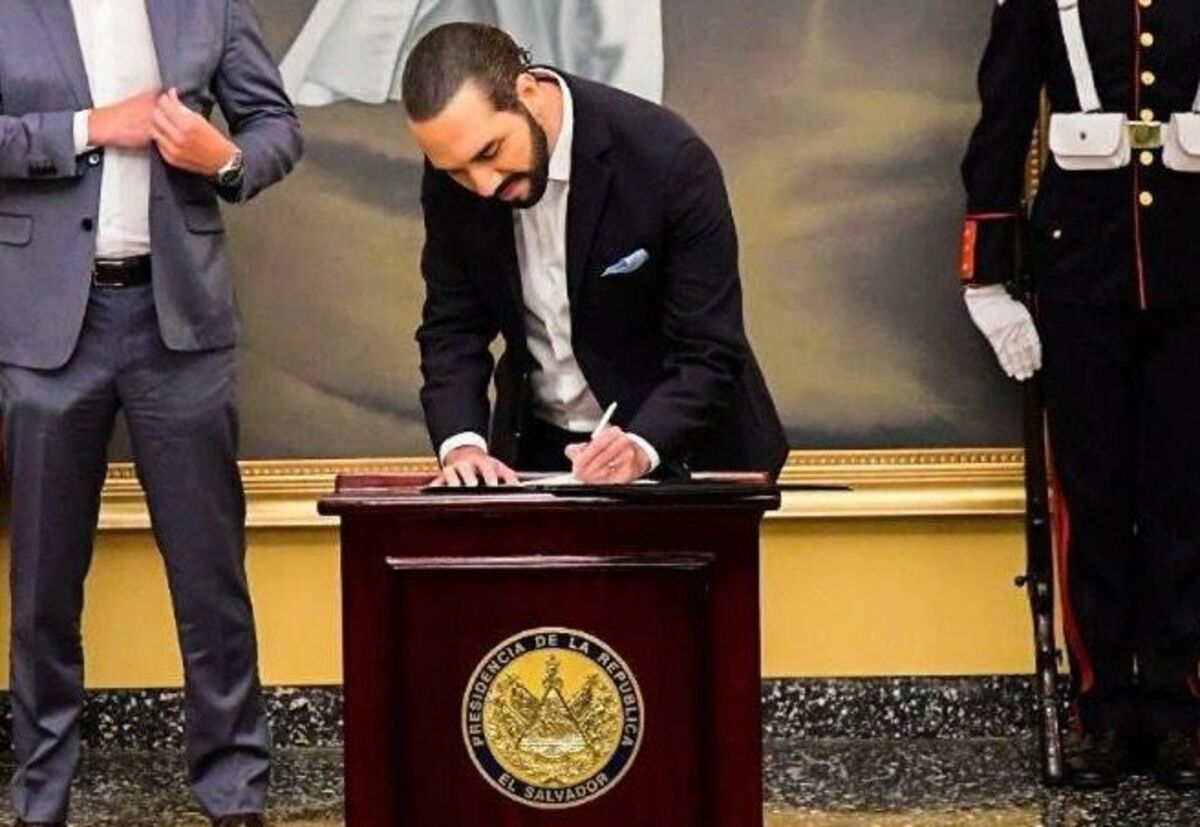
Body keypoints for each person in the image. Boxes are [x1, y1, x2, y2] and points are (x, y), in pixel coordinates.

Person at [0, 1, 303, 823]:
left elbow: (276, 126)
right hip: (46, 329)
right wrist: (90, 127)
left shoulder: (210, 5)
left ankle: (234, 792)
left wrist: (225, 158)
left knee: (211, 577)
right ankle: (40, 796)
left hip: (181, 325)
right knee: (42, 587)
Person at [961, 0, 1200, 789]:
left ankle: (1178, 706)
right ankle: (1100, 706)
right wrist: (987, 277)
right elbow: (1003, 116)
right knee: (1092, 499)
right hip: (1079, 271)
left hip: (1191, 271)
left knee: (1183, 496)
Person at [401, 22, 787, 487]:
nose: (482, 186)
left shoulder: (668, 160)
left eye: (490, 152)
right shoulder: (455, 169)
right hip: (538, 456)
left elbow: (710, 350)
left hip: (684, 457)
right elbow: (452, 326)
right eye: (457, 171)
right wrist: (463, 446)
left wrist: (640, 448)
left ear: (527, 92)